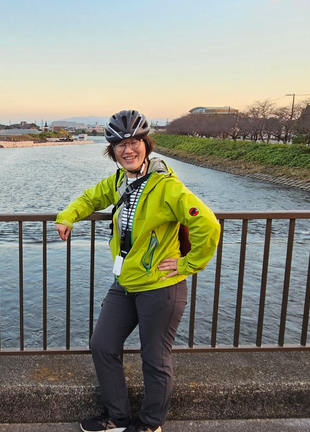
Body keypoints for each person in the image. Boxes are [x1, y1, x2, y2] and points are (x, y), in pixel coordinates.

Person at [55, 110, 220, 432]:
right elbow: (91, 198)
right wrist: (67, 216)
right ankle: (117, 417)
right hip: (126, 282)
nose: (127, 150)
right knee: (102, 344)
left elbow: (207, 223)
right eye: (120, 145)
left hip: (161, 286)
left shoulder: (167, 187)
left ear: (145, 145)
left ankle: (149, 424)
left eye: (133, 143)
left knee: (154, 358)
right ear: (112, 151)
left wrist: (188, 264)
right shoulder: (118, 181)